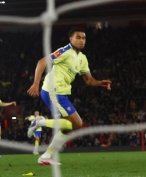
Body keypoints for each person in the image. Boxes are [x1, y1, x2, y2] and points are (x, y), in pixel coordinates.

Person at [27, 27, 112, 165]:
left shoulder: (82, 58)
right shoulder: (65, 51)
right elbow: (42, 62)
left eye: (83, 38)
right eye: (78, 37)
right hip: (52, 90)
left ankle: (46, 157)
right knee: (77, 124)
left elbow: (89, 80)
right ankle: (39, 122)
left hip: (62, 93)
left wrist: (100, 83)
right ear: (70, 39)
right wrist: (36, 83)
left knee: (70, 127)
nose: (81, 40)